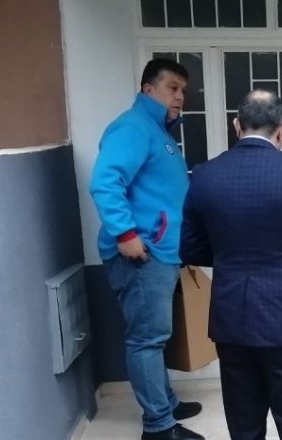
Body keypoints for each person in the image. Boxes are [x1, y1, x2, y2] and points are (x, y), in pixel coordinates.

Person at [179, 90, 282, 440]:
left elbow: (190, 249)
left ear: (236, 125)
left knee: (244, 427)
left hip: (231, 321)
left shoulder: (204, 175)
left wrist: (228, 254)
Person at [90, 58, 205, 440]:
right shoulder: (133, 127)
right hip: (142, 253)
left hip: (160, 252)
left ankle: (165, 404)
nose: (180, 96)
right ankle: (158, 427)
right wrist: (125, 235)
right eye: (173, 88)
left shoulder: (158, 132)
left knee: (156, 337)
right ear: (148, 89)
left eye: (183, 90)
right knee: (146, 340)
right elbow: (105, 182)